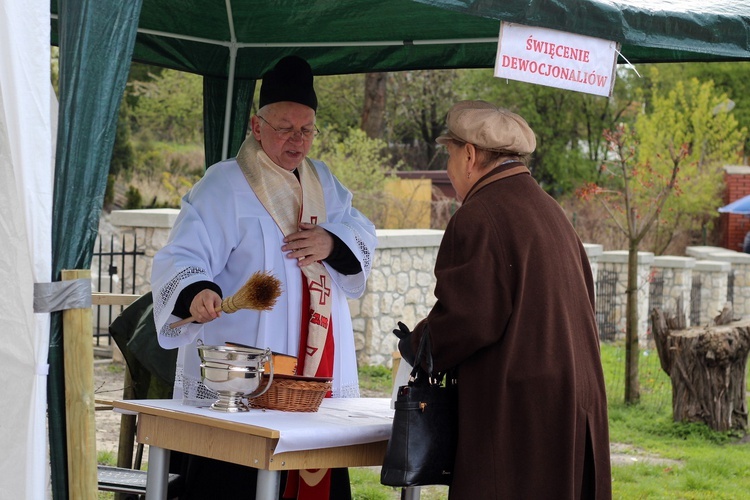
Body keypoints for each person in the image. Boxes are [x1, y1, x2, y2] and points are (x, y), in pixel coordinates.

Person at [151, 55, 377, 499]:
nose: (298, 140)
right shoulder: (223, 184)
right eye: (285, 128)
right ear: (256, 127)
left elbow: (361, 230)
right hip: (246, 365)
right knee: (235, 479)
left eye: (307, 129)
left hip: (316, 365)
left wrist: (332, 242)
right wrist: (198, 290)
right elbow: (181, 255)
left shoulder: (324, 182)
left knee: (315, 458)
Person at [395, 100, 612, 499]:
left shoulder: (479, 216)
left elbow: (469, 319)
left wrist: (417, 345)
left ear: (470, 156)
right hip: (576, 404)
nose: (448, 167)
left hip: (523, 411)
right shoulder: (553, 212)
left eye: (450, 154)